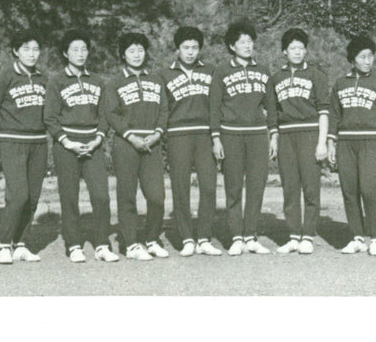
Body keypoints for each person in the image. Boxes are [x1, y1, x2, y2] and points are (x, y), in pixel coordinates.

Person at [44, 29, 119, 263]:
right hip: (67, 145)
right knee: (70, 197)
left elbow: (105, 115)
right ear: (65, 53)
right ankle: (74, 244)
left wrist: (98, 138)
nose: (80, 54)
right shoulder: (56, 81)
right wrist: (67, 142)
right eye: (74, 49)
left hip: (93, 144)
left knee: (101, 197)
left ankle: (102, 244)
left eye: (84, 49)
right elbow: (50, 118)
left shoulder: (97, 81)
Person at [210, 19, 276, 256]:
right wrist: (216, 138)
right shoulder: (222, 71)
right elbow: (214, 107)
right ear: (232, 46)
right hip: (231, 135)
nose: (247, 46)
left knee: (257, 186)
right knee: (234, 187)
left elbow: (271, 106)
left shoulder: (263, 71)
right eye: (242, 42)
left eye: (250, 41)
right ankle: (236, 236)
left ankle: (251, 236)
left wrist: (274, 136)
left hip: (258, 135)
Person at [327, 34, 376, 256]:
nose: (367, 61)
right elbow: (334, 116)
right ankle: (356, 237)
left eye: (370, 56)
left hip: (370, 141)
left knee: (368, 190)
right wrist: (331, 141)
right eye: (362, 56)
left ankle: (375, 238)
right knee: (349, 190)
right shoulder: (340, 83)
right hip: (346, 142)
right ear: (352, 59)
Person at [0, 30, 48, 264]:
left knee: (32, 197)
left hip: (38, 143)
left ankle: (21, 244)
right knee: (18, 195)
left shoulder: (43, 78)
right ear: (16, 52)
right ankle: (4, 245)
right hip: (12, 141)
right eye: (26, 49)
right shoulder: (3, 78)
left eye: (36, 49)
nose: (32, 54)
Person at [105, 32, 169, 261]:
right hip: (126, 143)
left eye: (140, 50)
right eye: (131, 51)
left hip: (152, 142)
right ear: (123, 54)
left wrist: (157, 133)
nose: (136, 55)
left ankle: (151, 239)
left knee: (156, 196)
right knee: (127, 195)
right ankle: (131, 243)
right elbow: (111, 114)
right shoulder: (114, 83)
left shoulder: (156, 79)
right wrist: (130, 136)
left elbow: (164, 109)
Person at [160, 26, 222, 257]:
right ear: (177, 49)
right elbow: (163, 109)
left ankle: (204, 238)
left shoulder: (211, 71)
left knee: (208, 186)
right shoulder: (165, 74)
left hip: (204, 134)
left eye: (195, 48)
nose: (190, 52)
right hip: (178, 135)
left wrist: (216, 136)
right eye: (186, 48)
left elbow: (216, 106)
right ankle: (187, 238)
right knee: (180, 186)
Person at [267, 28, 330, 255]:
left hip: (310, 133)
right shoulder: (276, 78)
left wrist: (322, 142)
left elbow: (324, 111)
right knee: (290, 187)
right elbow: (272, 113)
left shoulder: (316, 75)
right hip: (286, 136)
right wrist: (274, 137)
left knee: (311, 187)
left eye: (301, 48)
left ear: (306, 50)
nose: (297, 52)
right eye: (293, 48)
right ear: (284, 51)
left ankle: (308, 235)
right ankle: (293, 234)